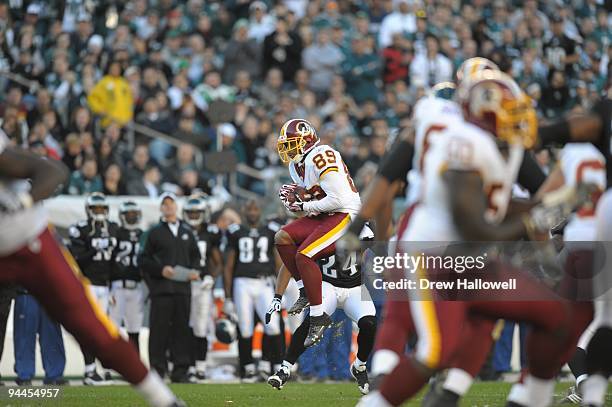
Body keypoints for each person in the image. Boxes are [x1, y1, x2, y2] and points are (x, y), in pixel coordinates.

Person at [359, 71, 578, 407]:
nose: (513, 120)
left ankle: (523, 400)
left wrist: (547, 204)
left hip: (475, 260)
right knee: (434, 351)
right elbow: (475, 226)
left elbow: (500, 204)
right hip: (435, 258)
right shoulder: (464, 142)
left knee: (559, 318)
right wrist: (535, 217)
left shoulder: (502, 147)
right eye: (504, 111)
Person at [0, 132, 183, 406]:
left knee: (92, 328)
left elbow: (51, 170)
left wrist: (22, 202)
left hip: (29, 241)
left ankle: (163, 399)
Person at [274, 118, 361, 348]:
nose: (288, 149)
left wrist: (303, 206)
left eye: (292, 143)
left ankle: (318, 315)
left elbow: (338, 199)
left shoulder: (322, 155)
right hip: (326, 213)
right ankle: (305, 290)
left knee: (304, 255)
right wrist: (300, 201)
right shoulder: (296, 165)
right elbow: (317, 199)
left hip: (346, 213)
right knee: (282, 237)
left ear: (307, 140)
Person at [267, 224, 377, 395]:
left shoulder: (364, 227)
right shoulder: (316, 228)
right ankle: (284, 369)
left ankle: (359, 366)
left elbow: (375, 256)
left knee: (370, 324)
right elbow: (289, 264)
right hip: (327, 285)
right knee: (312, 321)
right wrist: (277, 296)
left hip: (355, 287)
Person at [140, 192, 201, 383]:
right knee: (159, 331)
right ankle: (158, 370)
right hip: (162, 290)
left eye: (171, 203)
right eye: (165, 204)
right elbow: (142, 259)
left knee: (181, 330)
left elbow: (196, 257)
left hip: (183, 290)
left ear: (176, 207)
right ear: (161, 208)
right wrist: (160, 270)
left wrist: (195, 271)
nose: (168, 207)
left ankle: (180, 370)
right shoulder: (153, 232)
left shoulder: (187, 231)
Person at [224, 199, 283, 382]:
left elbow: (279, 261)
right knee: (245, 327)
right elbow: (228, 265)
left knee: (273, 326)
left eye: (255, 208)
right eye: (249, 208)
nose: (252, 212)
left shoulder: (270, 231)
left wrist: (282, 288)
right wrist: (227, 296)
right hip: (242, 283)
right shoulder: (235, 232)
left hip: (265, 282)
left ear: (261, 211)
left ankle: (271, 365)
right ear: (243, 210)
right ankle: (247, 368)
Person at [68, 192, 118, 385]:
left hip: (106, 286)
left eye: (102, 209)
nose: (99, 212)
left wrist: (113, 284)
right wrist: (95, 249)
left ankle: (103, 369)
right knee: (89, 328)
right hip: (88, 284)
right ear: (88, 210)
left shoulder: (113, 228)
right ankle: (89, 371)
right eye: (95, 209)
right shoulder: (81, 229)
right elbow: (76, 258)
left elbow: (116, 262)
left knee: (103, 330)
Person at [182, 195, 222, 382]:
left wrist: (211, 278)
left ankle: (200, 366)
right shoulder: (180, 231)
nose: (193, 215)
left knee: (200, 326)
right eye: (190, 212)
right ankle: (188, 365)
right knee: (185, 325)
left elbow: (217, 262)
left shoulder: (210, 233)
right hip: (184, 284)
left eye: (196, 212)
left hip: (203, 285)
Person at [109, 201, 145, 355]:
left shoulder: (143, 235)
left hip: (136, 287)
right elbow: (108, 260)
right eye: (128, 214)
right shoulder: (116, 232)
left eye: (134, 214)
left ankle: (135, 366)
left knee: (134, 329)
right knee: (112, 328)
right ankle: (109, 366)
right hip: (117, 286)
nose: (131, 217)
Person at [13, 287, 66, 386]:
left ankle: (55, 375)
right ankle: (24, 375)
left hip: (49, 292)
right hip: (26, 291)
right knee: (25, 336)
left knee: (52, 336)